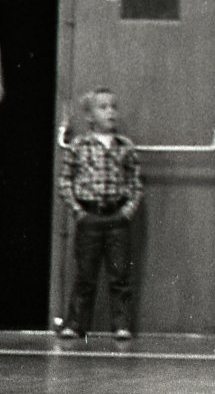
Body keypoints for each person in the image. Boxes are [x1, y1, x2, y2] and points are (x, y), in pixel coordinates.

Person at [57, 87, 143, 342]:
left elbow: (136, 183)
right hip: (89, 217)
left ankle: (121, 325)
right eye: (103, 107)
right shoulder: (78, 146)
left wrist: (128, 211)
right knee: (85, 275)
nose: (110, 112)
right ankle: (76, 324)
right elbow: (65, 182)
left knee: (120, 274)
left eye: (113, 107)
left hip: (117, 218)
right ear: (90, 116)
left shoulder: (125, 146)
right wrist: (78, 211)